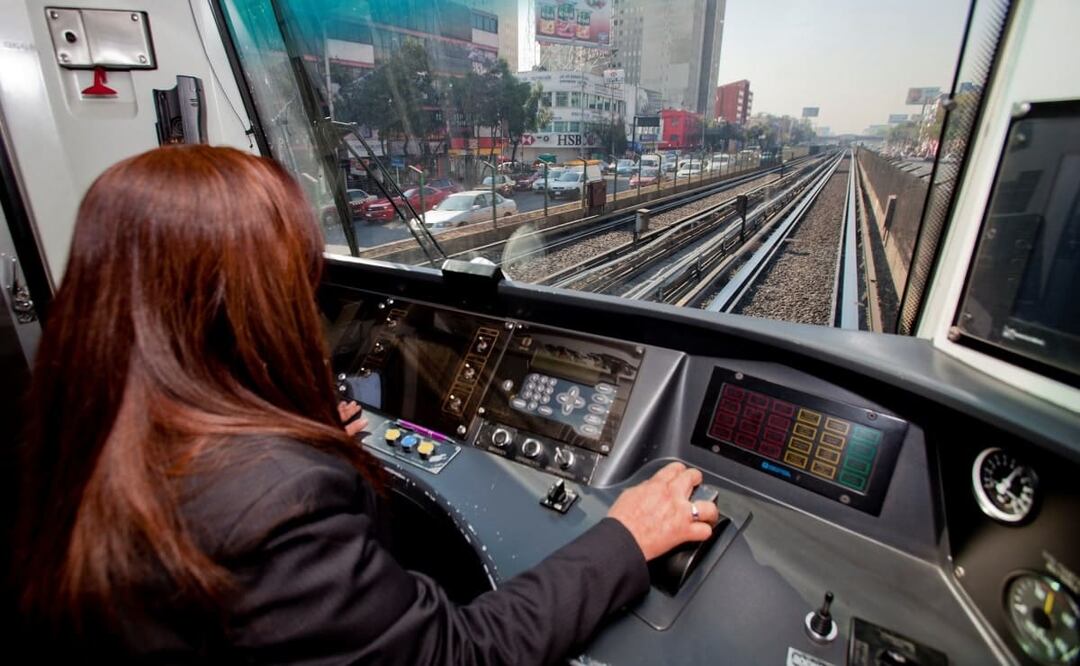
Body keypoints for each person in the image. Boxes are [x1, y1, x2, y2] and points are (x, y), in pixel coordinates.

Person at [13, 145, 720, 663]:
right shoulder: (273, 504)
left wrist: (305, 441)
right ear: (252, 306)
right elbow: (457, 656)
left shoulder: (71, 424)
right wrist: (623, 538)